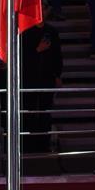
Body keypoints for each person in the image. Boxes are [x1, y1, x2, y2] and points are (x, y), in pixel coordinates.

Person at [21, 21, 63, 152]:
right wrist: (37, 50)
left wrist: (57, 75)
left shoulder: (52, 31)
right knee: (29, 112)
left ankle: (44, 144)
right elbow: (22, 56)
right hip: (29, 78)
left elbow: (57, 55)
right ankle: (28, 145)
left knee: (45, 113)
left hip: (47, 77)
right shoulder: (25, 32)